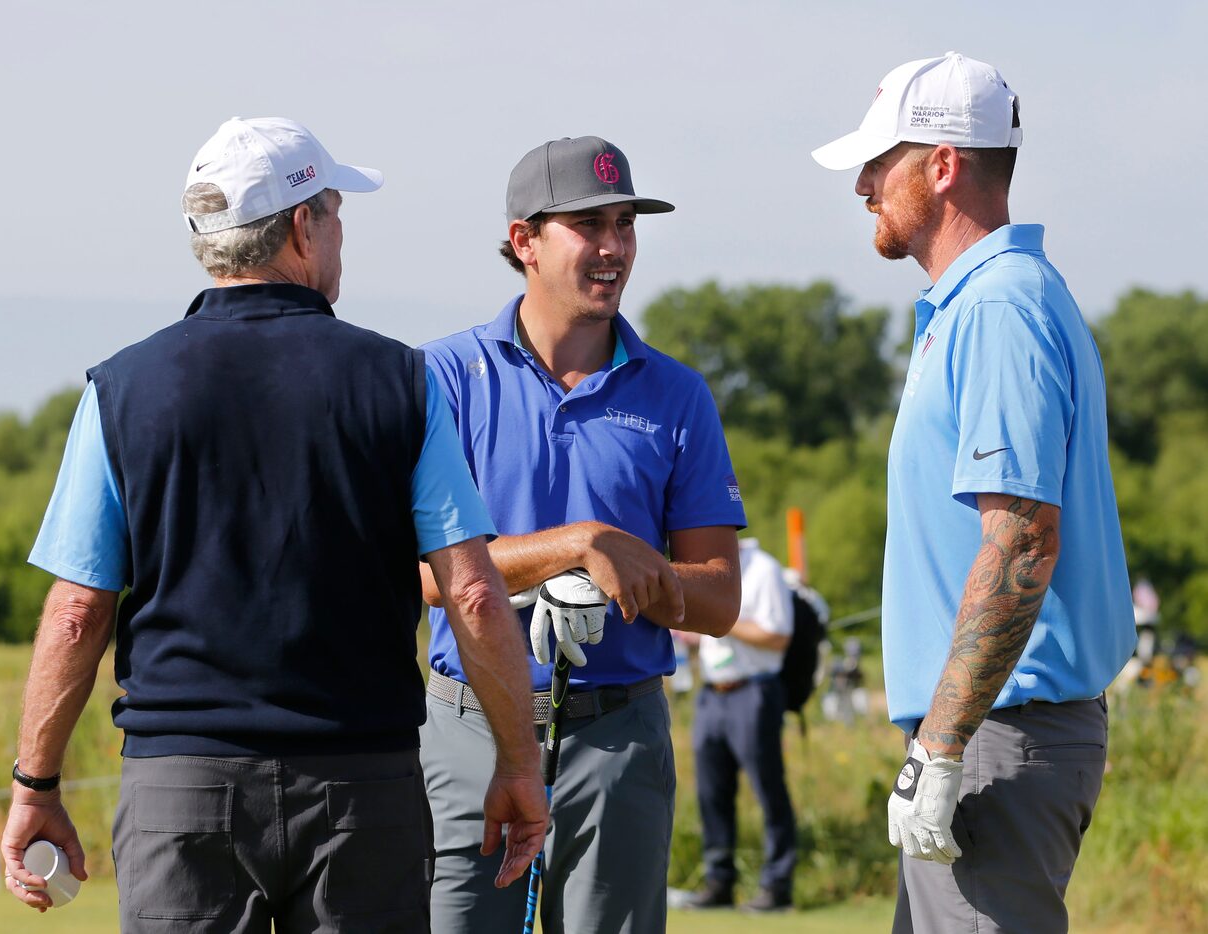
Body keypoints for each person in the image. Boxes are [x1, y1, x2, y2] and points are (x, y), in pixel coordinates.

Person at [1, 116, 547, 933]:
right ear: (302, 226)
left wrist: (34, 786)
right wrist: (519, 759)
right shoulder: (401, 380)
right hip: (365, 787)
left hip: (182, 790)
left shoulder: (121, 388)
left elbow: (80, 611)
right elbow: (471, 594)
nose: (339, 234)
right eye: (334, 212)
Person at [812, 53, 1136, 933]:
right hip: (990, 730)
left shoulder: (998, 307)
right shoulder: (984, 303)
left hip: (999, 734)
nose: (865, 186)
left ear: (943, 165)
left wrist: (945, 744)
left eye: (881, 164)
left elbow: (1022, 541)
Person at [417, 136, 747, 933]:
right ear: (524, 239)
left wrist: (627, 575)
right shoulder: (444, 377)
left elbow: (719, 598)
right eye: (588, 225)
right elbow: (422, 575)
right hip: (469, 731)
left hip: (618, 736)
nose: (614, 248)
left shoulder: (678, 394)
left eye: (625, 224)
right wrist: (573, 547)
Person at [687, 537, 797, 912]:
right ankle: (719, 882)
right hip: (712, 692)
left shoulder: (763, 569)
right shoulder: (702, 568)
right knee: (711, 792)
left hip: (754, 691)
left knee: (768, 788)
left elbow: (778, 636)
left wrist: (721, 618)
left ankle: (777, 885)